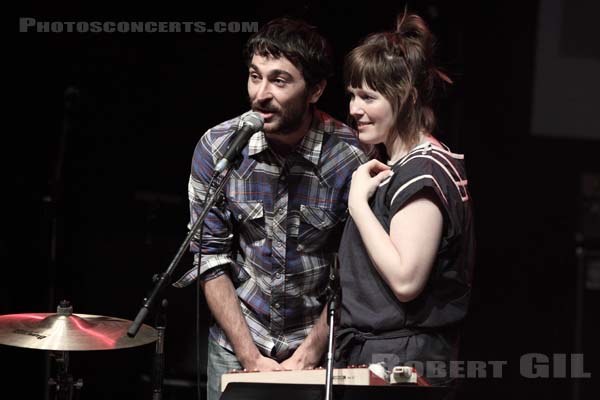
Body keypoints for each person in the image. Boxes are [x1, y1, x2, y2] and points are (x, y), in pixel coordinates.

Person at [172, 18, 368, 400]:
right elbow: (210, 260)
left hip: (322, 351)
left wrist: (307, 354)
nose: (260, 94)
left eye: (279, 80)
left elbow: (356, 273)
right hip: (237, 346)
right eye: (254, 76)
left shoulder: (351, 156)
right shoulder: (217, 148)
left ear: (315, 90)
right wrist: (250, 358)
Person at [334, 12, 475, 391]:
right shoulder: (398, 165)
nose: (354, 109)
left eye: (369, 97)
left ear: (408, 98)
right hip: (380, 355)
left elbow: (406, 278)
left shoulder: (424, 171)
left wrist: (358, 206)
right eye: (352, 95)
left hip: (403, 360)